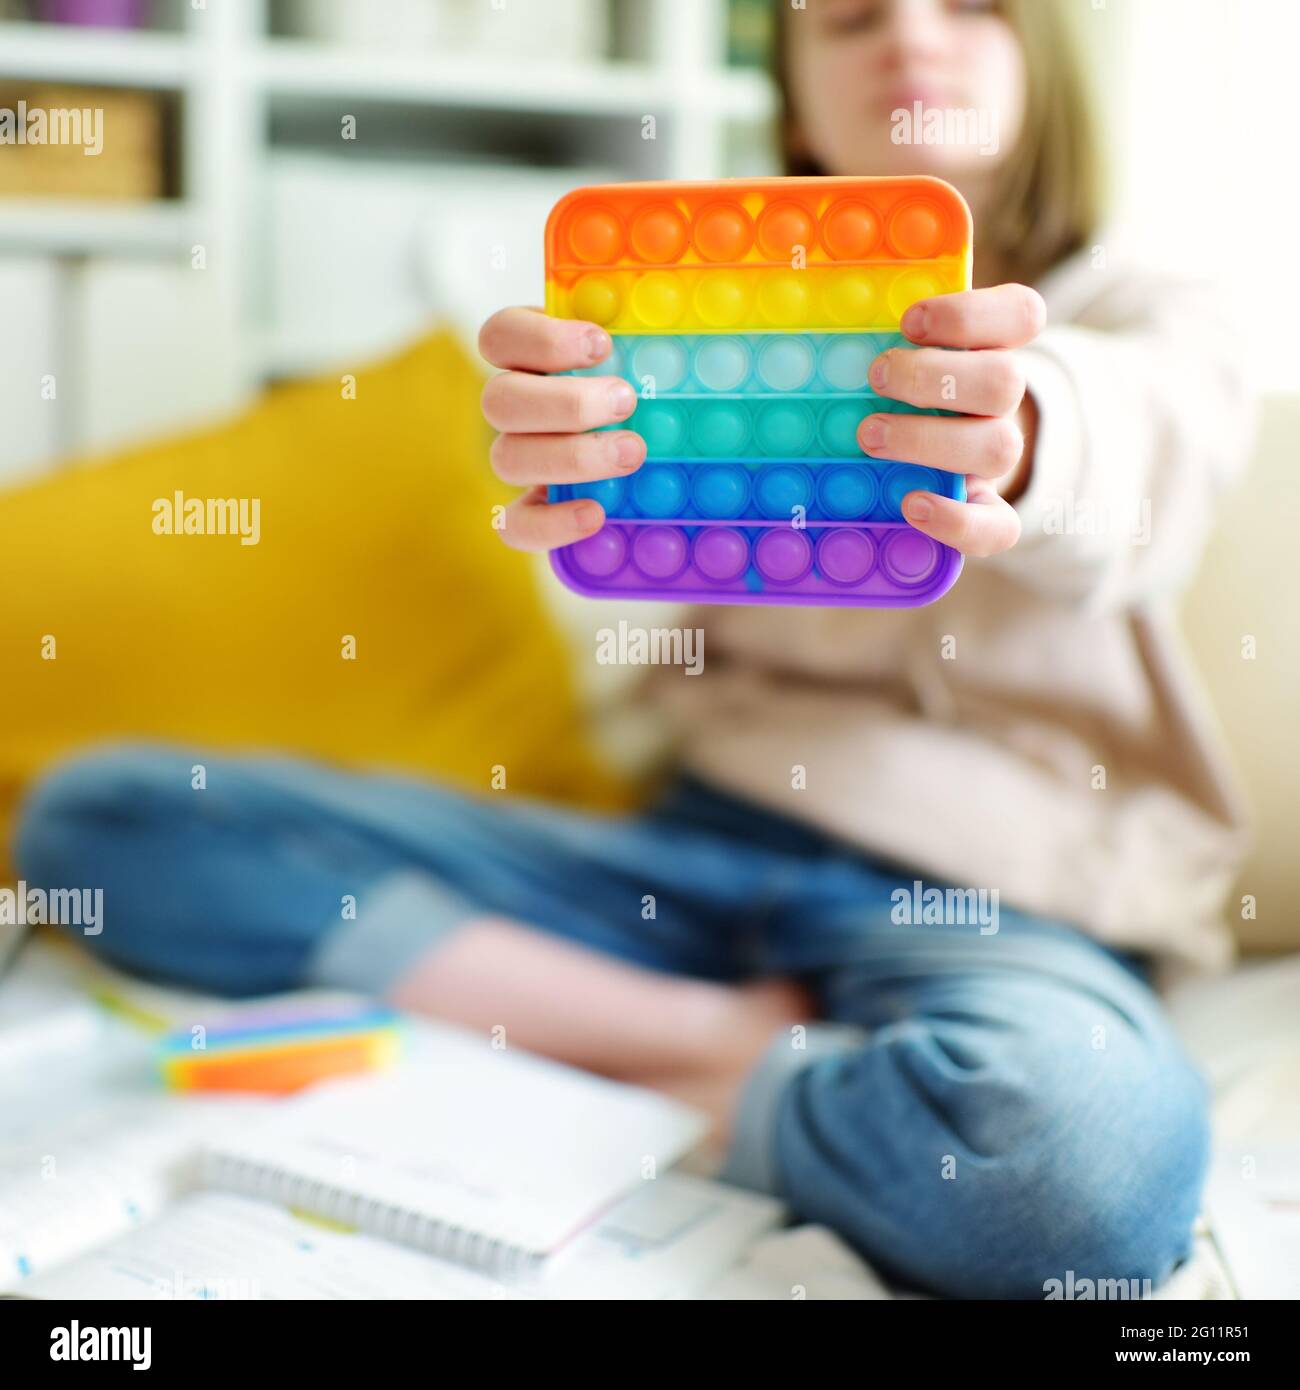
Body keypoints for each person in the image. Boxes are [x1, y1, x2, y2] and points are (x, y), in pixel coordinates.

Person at [15, 0, 1252, 1297]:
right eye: (849, 19)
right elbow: (629, 545)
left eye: (970, 7)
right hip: (689, 857)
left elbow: (1138, 467)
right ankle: (708, 1044)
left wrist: (1026, 428)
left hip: (996, 907)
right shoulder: (709, 312)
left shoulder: (1161, 314)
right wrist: (576, 454)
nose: (909, 41)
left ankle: (619, 1047)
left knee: (1078, 1179)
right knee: (105, 812)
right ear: (794, 97)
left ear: (1043, 54)